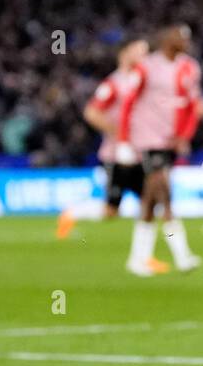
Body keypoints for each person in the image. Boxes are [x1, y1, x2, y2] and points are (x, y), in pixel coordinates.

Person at [117, 25, 203, 275]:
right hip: (148, 139)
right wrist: (123, 140)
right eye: (182, 37)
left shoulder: (190, 67)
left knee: (151, 199)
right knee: (163, 192)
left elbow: (192, 106)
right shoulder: (146, 67)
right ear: (167, 40)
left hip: (169, 141)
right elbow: (128, 103)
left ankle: (137, 258)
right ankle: (182, 255)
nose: (187, 41)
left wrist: (184, 135)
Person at [56, 39, 149, 239]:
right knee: (111, 211)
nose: (145, 56)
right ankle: (72, 214)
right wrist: (117, 132)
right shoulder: (114, 83)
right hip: (117, 154)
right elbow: (91, 112)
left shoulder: (139, 80)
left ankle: (144, 256)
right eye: (139, 51)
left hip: (138, 152)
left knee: (148, 202)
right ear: (125, 54)